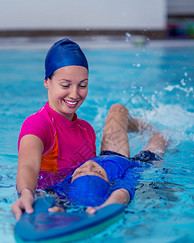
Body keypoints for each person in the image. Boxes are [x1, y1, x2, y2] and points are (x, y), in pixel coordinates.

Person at [11, 38, 96, 220]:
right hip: (47, 197)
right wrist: (26, 193)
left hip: (78, 198)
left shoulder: (87, 130)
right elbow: (27, 165)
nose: (75, 94)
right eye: (65, 85)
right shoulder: (37, 125)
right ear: (47, 82)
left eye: (83, 85)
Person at [49, 103, 168, 215]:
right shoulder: (122, 183)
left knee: (118, 110)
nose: (89, 165)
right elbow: (121, 197)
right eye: (97, 172)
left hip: (110, 155)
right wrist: (103, 209)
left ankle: (141, 127)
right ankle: (156, 130)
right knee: (161, 136)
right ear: (108, 182)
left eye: (79, 171)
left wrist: (57, 207)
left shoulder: (65, 186)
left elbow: (52, 195)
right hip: (141, 163)